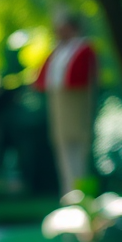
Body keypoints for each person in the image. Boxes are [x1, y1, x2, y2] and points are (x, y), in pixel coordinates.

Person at [35, 13, 99, 193]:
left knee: (79, 145)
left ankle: (81, 191)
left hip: (76, 99)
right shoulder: (57, 50)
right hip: (58, 99)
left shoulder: (83, 48)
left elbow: (89, 78)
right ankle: (69, 190)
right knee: (61, 144)